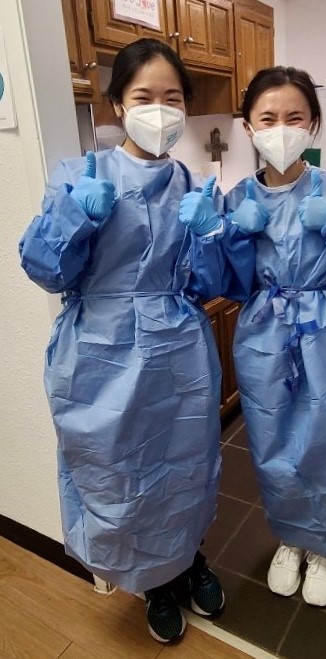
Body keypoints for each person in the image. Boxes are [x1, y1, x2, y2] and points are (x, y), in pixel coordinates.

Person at [19, 38, 253, 643]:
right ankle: (152, 583)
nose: (159, 109)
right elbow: (45, 270)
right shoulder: (79, 175)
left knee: (184, 467)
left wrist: (212, 234)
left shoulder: (194, 183)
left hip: (178, 352)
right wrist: (78, 217)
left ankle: (189, 559)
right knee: (120, 472)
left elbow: (213, 283)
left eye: (172, 98)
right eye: (144, 96)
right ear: (118, 104)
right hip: (99, 353)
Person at [179, 66, 326, 607]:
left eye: (294, 117)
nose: (281, 128)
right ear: (248, 125)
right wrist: (226, 233)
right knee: (274, 443)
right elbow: (220, 284)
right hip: (264, 334)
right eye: (268, 118)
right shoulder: (238, 197)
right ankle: (292, 536)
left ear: (312, 126)